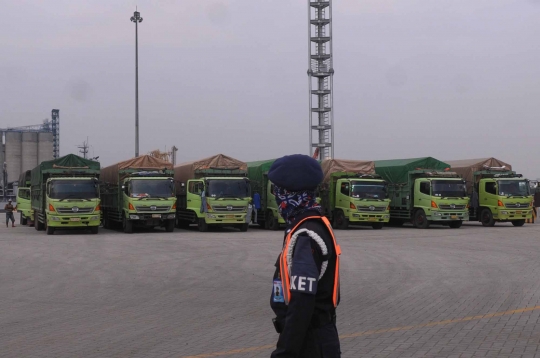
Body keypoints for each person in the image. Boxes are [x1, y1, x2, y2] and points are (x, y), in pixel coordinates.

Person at [268, 154, 341, 358]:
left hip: (308, 343)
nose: (276, 197)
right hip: (314, 337)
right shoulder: (315, 222)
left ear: (288, 193)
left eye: (278, 191)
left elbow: (302, 303)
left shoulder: (306, 235)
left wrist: (285, 352)